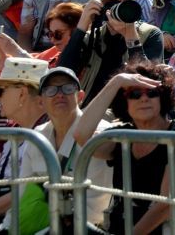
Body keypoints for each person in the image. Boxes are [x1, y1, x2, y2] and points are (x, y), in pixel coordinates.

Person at [73, 61, 175, 235]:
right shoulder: (122, 135)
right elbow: (81, 135)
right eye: (134, 94)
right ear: (124, 102)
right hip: (121, 225)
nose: (144, 98)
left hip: (168, 226)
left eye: (152, 92)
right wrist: (116, 82)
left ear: (163, 97)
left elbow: (165, 204)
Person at [10, 67, 113, 231]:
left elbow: (96, 204)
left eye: (68, 88)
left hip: (91, 228)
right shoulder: (37, 136)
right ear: (41, 102)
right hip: (45, 226)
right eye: (51, 90)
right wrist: (7, 227)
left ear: (80, 97)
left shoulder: (100, 133)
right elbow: (22, 194)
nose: (59, 94)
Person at [58, 0, 164, 103]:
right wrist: (81, 26)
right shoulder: (93, 38)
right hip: (92, 108)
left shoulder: (150, 34)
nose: (117, 9)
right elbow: (62, 74)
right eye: (111, 4)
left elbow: (149, 81)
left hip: (132, 110)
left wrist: (131, 35)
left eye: (123, 3)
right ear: (101, 9)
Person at [0, 58, 49, 232]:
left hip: (20, 216)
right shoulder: (10, 130)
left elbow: (22, 192)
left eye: (1, 91)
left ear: (22, 94)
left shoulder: (47, 133)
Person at [0, 1, 82, 73]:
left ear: (75, 31)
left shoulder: (83, 57)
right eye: (50, 34)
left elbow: (48, 79)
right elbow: (6, 67)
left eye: (58, 34)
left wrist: (16, 50)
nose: (53, 39)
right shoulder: (54, 52)